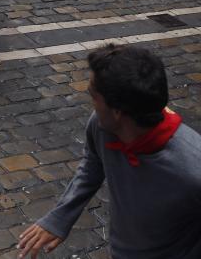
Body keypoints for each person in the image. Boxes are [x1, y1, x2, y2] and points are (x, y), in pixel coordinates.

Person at [18, 44, 201, 258]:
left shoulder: (193, 168)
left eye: (93, 96)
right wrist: (60, 217)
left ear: (116, 112)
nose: (92, 105)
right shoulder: (102, 127)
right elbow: (93, 164)